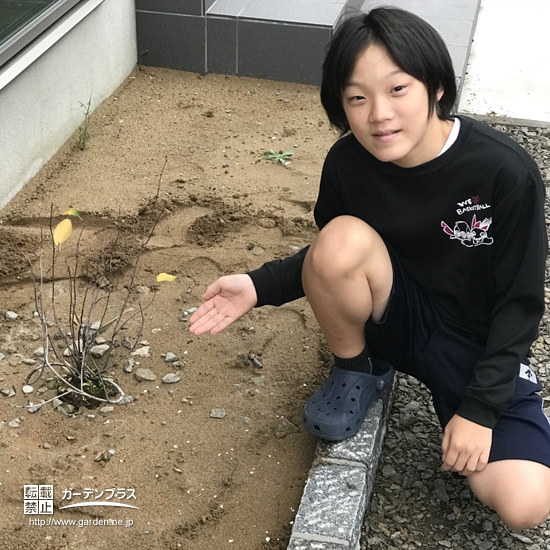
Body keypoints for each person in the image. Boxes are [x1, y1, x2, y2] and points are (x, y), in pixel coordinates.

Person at [189, 7, 550, 530]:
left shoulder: (503, 171)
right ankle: (358, 368)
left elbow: (520, 304)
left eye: (398, 89)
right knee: (340, 239)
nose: (379, 113)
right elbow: (330, 257)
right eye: (357, 97)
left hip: (474, 343)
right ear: (341, 105)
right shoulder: (347, 164)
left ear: (437, 88)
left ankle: (466, 405)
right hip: (396, 317)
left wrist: (479, 410)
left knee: (526, 504)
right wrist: (257, 285)